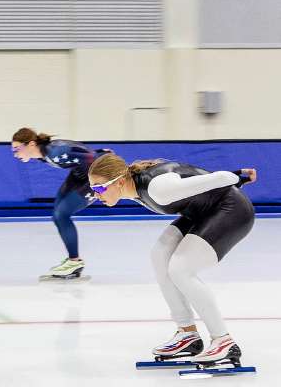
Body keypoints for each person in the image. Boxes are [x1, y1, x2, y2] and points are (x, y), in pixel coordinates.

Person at [87, 153, 257, 366]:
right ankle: (187, 334)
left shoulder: (158, 189)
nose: (96, 194)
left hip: (232, 210)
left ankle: (223, 341)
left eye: (100, 188)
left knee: (180, 268)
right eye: (93, 189)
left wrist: (239, 176)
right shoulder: (131, 187)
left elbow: (216, 179)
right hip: (202, 212)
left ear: (120, 181)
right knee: (160, 255)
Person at [10, 128, 108, 280]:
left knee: (62, 214)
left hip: (98, 175)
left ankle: (74, 262)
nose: (15, 154)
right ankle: (73, 261)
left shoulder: (55, 153)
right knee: (57, 214)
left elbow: (87, 156)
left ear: (31, 144)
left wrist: (103, 159)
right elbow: (78, 149)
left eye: (17, 149)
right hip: (80, 173)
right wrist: (99, 151)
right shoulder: (43, 153)